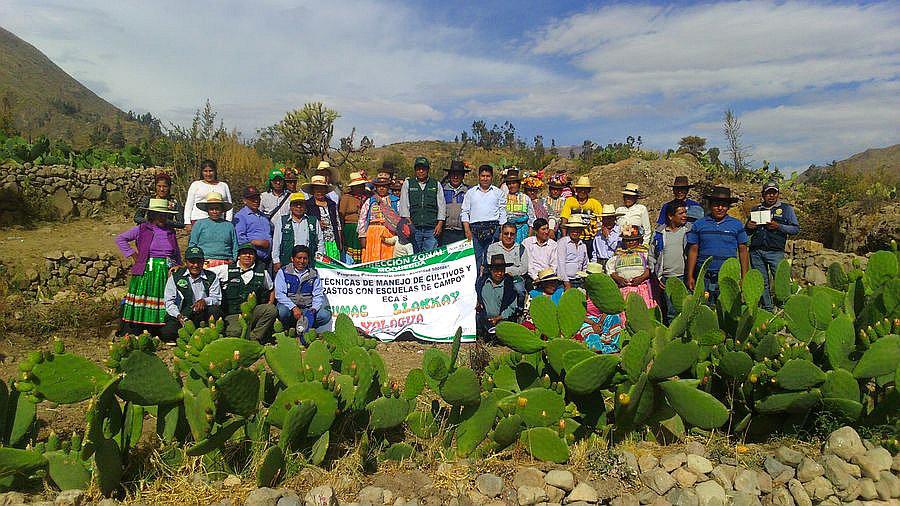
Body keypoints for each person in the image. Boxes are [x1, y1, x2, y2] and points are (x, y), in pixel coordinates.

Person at [115, 199, 182, 335]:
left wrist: (178, 266)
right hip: (147, 270)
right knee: (144, 298)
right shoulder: (142, 229)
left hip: (166, 272)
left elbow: (176, 252)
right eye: (159, 215)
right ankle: (138, 329)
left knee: (164, 299)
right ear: (152, 215)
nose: (162, 218)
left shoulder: (170, 232)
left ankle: (159, 330)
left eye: (165, 215)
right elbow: (120, 239)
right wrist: (135, 256)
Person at [686, 186, 750, 303]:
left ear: (728, 207)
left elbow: (743, 251)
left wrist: (744, 276)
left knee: (726, 308)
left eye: (724, 205)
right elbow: (693, 250)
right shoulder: (699, 224)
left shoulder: (736, 225)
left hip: (728, 276)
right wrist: (690, 275)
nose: (720, 208)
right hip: (703, 276)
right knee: (703, 307)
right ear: (710, 205)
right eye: (716, 205)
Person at [746, 182, 800, 310]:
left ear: (778, 194)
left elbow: (795, 229)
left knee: (781, 281)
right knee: (761, 281)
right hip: (756, 251)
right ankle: (767, 308)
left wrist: (778, 226)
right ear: (763, 195)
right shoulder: (755, 209)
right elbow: (747, 230)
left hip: (775, 252)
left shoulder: (786, 209)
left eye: (774, 193)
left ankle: (785, 308)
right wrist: (748, 226)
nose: (771, 196)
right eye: (768, 193)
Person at [160, 246, 222, 341]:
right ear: (186, 262)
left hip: (202, 313)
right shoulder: (176, 276)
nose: (195, 265)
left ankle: (207, 335)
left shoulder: (211, 276)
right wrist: (179, 316)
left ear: (203, 262)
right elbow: (169, 302)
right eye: (192, 262)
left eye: (199, 262)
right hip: (182, 314)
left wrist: (205, 301)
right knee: (167, 333)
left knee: (214, 310)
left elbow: (217, 298)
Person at [222, 243, 277, 342]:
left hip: (253, 312)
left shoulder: (262, 272)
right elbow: (207, 274)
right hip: (233, 313)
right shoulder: (225, 269)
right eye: (244, 253)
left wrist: (270, 302)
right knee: (235, 332)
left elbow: (271, 289)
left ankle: (254, 338)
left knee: (271, 309)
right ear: (239, 256)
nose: (248, 256)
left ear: (254, 257)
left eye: (251, 254)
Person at [275, 245, 332, 336]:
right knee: (282, 311)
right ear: (292, 259)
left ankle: (307, 330)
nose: (302, 261)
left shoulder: (313, 274)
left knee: (325, 315)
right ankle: (288, 328)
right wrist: (293, 308)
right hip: (289, 307)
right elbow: (279, 294)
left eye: (305, 258)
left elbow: (318, 294)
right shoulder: (283, 272)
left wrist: (313, 310)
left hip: (307, 308)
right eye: (299, 258)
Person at [650, 200, 691, 323]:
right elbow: (652, 256)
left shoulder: (688, 231)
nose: (685, 216)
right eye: (680, 213)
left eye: (685, 212)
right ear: (670, 216)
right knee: (671, 312)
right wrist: (656, 277)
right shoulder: (659, 233)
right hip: (666, 278)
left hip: (685, 277)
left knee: (686, 310)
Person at [461, 164, 507, 274]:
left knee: (490, 258)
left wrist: (502, 232)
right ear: (479, 176)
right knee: (475, 259)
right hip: (474, 229)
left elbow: (502, 212)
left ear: (492, 177)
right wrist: (467, 230)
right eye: (483, 176)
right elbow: (465, 212)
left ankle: (488, 281)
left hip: (493, 229)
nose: (485, 178)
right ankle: (477, 282)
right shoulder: (471, 193)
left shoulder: (498, 193)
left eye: (488, 176)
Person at [400, 156, 446, 253]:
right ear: (415, 170)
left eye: (423, 169)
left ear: (428, 170)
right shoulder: (408, 184)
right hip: (414, 228)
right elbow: (404, 205)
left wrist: (440, 224)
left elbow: (441, 206)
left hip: (432, 229)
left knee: (430, 256)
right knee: (415, 255)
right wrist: (409, 225)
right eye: (418, 169)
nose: (421, 171)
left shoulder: (436, 184)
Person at [188, 192, 237, 282]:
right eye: (211, 209)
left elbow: (234, 245)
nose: (214, 211)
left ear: (222, 210)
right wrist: (194, 260)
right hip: (204, 262)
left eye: (217, 209)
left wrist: (233, 260)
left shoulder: (229, 226)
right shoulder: (199, 224)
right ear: (207, 210)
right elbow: (192, 244)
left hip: (225, 263)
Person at [607, 225, 657, 308]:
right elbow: (611, 270)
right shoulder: (618, 255)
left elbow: (650, 268)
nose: (630, 242)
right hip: (623, 289)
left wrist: (641, 278)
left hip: (641, 289)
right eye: (627, 240)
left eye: (634, 240)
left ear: (640, 240)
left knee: (641, 309)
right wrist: (618, 278)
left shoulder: (645, 253)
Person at [273, 193, 324, 272]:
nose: (299, 207)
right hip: (287, 261)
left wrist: (318, 259)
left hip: (308, 262)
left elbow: (320, 241)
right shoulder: (282, 221)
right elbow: (276, 242)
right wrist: (276, 260)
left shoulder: (313, 221)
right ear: (291, 207)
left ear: (305, 207)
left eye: (301, 204)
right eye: (296, 204)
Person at [358, 177, 402, 262]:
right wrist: (362, 235)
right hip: (372, 233)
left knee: (388, 256)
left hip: (389, 233)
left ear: (388, 187)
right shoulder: (370, 201)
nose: (381, 188)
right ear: (376, 188)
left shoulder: (395, 201)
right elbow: (362, 218)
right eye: (379, 186)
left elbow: (400, 218)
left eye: (384, 186)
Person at [475, 254, 520, 336]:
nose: (499, 273)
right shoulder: (481, 283)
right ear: (491, 270)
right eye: (496, 270)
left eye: (502, 270)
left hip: (503, 320)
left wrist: (499, 318)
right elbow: (477, 297)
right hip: (484, 320)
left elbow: (512, 307)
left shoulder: (510, 286)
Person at [486, 222, 530, 305]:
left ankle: (518, 309)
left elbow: (524, 268)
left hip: (515, 277)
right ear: (501, 234)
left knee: (520, 290)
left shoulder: (521, 248)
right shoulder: (493, 247)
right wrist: (506, 271)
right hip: (497, 276)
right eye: (506, 233)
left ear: (515, 235)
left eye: (512, 234)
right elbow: (490, 265)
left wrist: (509, 271)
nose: (509, 236)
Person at [560, 176, 603, 259]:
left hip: (591, 238)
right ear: (576, 190)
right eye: (580, 189)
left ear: (589, 191)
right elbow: (564, 219)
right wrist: (564, 238)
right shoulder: (570, 201)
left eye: (585, 189)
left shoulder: (595, 203)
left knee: (590, 260)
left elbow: (601, 220)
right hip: (574, 237)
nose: (582, 191)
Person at [303, 175, 343, 260]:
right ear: (313, 191)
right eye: (317, 189)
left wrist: (339, 242)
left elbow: (337, 224)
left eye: (322, 189)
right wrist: (316, 224)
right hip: (317, 242)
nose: (319, 192)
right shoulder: (307, 205)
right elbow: (303, 222)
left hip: (332, 241)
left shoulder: (331, 204)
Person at [184, 160, 233, 229]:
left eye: (210, 171)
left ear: (215, 171)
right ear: (202, 172)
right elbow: (189, 205)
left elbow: (229, 205)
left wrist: (228, 221)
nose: (208, 174)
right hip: (199, 220)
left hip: (219, 221)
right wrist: (187, 222)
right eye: (205, 171)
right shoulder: (196, 185)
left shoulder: (223, 185)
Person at [233, 186, 273, 266]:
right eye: (252, 198)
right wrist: (257, 242)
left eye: (257, 198)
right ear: (245, 200)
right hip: (251, 259)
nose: (256, 201)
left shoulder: (263, 216)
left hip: (267, 259)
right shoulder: (240, 216)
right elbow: (240, 238)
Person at [339, 172, 369, 263]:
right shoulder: (346, 198)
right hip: (350, 228)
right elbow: (341, 215)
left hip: (365, 228)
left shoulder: (368, 196)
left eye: (362, 185)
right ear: (352, 187)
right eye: (358, 186)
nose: (360, 188)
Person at [440, 160, 470, 245]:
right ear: (449, 175)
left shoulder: (468, 191)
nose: (455, 177)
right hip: (445, 232)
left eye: (458, 174)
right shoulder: (441, 190)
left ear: (463, 176)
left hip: (463, 232)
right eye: (453, 174)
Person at [556, 215, 589, 289]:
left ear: (581, 231)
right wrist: (566, 282)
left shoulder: (583, 245)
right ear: (569, 230)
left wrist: (584, 277)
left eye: (577, 230)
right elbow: (560, 263)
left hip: (579, 280)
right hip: (566, 281)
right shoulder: (563, 242)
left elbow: (585, 263)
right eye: (573, 230)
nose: (575, 233)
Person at [503, 169, 535, 244]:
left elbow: (531, 218)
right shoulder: (503, 198)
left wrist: (529, 236)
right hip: (507, 232)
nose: (511, 186)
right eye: (509, 184)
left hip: (523, 231)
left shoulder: (525, 198)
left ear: (518, 184)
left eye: (514, 183)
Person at [522, 218, 558, 283]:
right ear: (536, 231)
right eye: (543, 229)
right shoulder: (527, 243)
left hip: (549, 277)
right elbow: (528, 264)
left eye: (547, 228)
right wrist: (535, 278)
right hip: (531, 277)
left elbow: (554, 264)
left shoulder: (553, 244)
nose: (546, 232)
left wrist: (548, 277)